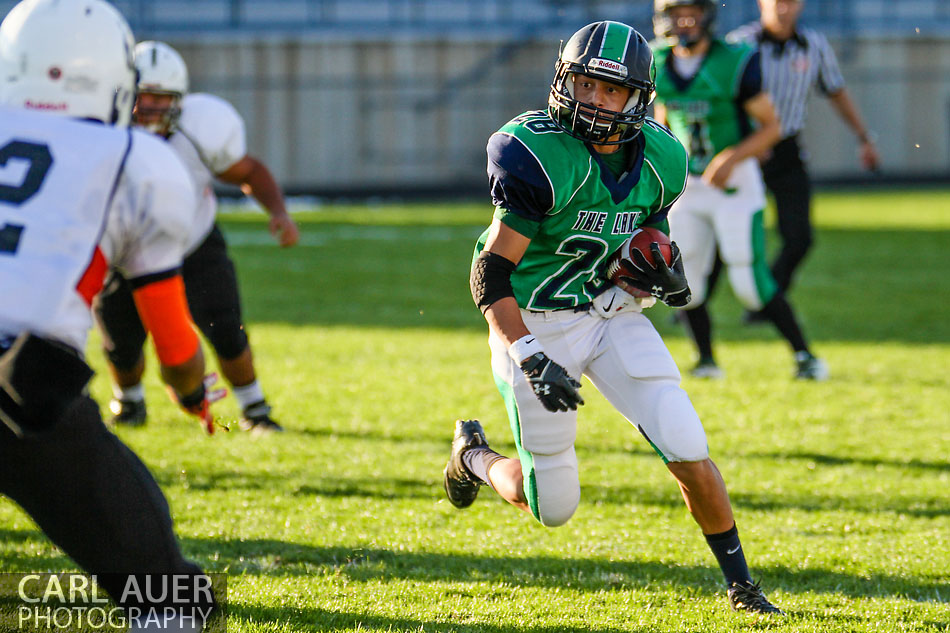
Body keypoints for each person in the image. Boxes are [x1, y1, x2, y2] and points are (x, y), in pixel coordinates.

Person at [443, 20, 782, 615]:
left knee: (686, 443)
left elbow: (651, 230)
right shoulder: (535, 153)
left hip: (608, 312)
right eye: (585, 84)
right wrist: (529, 354)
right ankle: (474, 457)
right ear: (563, 82)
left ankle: (742, 586)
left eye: (611, 90)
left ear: (638, 97)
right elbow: (488, 277)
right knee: (552, 505)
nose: (595, 101)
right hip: (534, 321)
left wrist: (660, 266)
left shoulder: (663, 157)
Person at [0, 0, 218, 628]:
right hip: (19, 381)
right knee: (166, 587)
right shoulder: (135, 161)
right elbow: (173, 341)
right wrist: (190, 390)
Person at [93, 40, 299, 435]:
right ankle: (129, 402)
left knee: (227, 328)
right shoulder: (104, 131)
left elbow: (248, 171)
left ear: (179, 100)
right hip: (124, 249)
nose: (149, 105)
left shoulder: (199, 129)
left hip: (193, 241)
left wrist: (278, 213)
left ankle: (255, 408)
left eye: (159, 96)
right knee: (120, 341)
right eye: (141, 95)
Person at [651, 0, 827, 380]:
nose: (685, 22)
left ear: (707, 17)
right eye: (678, 14)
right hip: (690, 185)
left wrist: (730, 158)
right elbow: (662, 120)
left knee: (749, 280)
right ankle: (706, 360)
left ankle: (805, 357)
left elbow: (771, 126)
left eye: (693, 14)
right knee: (687, 279)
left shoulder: (734, 59)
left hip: (735, 182)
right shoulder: (655, 61)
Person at [728, 0, 880, 323]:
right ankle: (691, 304)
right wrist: (748, 141)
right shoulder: (738, 44)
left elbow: (836, 90)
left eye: (790, 1)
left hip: (786, 149)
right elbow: (723, 99)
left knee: (800, 237)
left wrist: (864, 137)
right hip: (744, 147)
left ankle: (765, 302)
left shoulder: (814, 45)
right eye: (776, 1)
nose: (783, 8)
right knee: (721, 231)